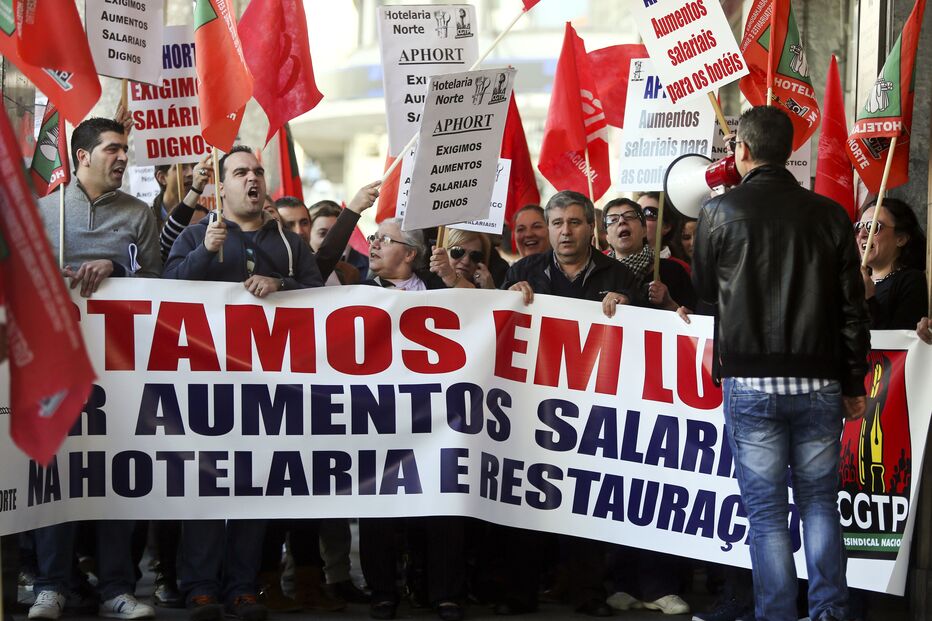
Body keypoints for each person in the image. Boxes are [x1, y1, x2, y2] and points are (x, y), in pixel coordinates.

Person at [692, 106, 871, 621]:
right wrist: (853, 379)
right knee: (819, 504)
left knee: (767, 514)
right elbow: (851, 311)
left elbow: (705, 290)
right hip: (818, 383)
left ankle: (776, 614)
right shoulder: (830, 214)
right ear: (788, 150)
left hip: (748, 382)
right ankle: (829, 612)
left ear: (742, 150)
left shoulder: (717, 213)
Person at [163, 145, 324, 621]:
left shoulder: (290, 245)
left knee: (254, 488)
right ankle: (200, 588)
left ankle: (243, 585)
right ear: (222, 184)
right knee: (207, 487)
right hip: (205, 386)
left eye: (257, 171)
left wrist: (283, 287)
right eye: (240, 172)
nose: (252, 178)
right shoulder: (198, 234)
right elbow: (165, 289)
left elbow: (321, 297)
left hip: (268, 391)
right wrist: (207, 253)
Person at [32, 117, 160, 621]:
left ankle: (116, 589)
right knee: (55, 477)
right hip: (54, 369)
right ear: (81, 156)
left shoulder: (139, 215)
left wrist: (120, 270)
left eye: (125, 148)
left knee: (116, 478)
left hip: (120, 373)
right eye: (112, 148)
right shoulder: (43, 212)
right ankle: (50, 584)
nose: (123, 157)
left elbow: (158, 283)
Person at [603, 198, 696, 312]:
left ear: (644, 230)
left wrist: (669, 304)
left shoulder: (674, 271)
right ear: (607, 237)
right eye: (613, 219)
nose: (622, 221)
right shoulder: (596, 274)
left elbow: (695, 321)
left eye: (630, 216)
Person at [855, 198, 928, 329]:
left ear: (901, 239)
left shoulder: (911, 281)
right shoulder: (851, 281)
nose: (862, 234)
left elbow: (899, 341)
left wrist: (868, 299)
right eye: (859, 227)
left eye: (872, 227)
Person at [157, 154, 212, 262]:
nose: (191, 173)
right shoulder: (146, 218)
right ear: (162, 178)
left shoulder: (205, 215)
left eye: (193, 167)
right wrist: (196, 190)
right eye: (182, 167)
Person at [637, 191, 689, 266]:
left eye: (649, 213)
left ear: (666, 226)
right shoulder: (617, 265)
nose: (639, 218)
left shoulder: (681, 268)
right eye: (635, 212)